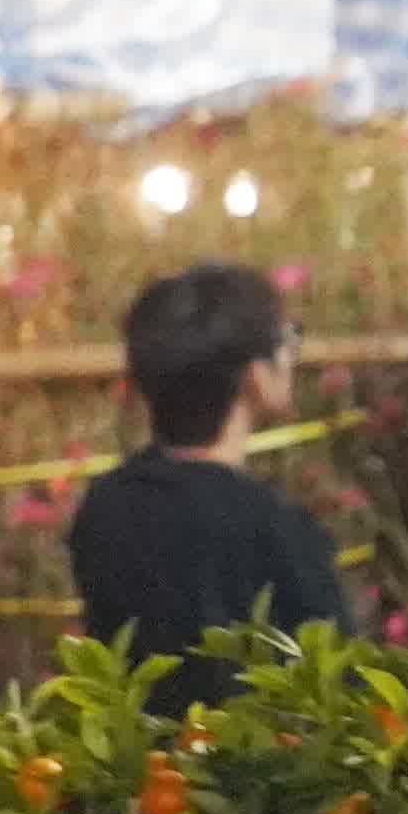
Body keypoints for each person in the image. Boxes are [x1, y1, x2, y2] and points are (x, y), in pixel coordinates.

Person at [69, 263, 343, 673]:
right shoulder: (275, 528)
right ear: (253, 376)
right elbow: (339, 676)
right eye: (286, 339)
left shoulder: (105, 507)